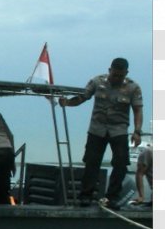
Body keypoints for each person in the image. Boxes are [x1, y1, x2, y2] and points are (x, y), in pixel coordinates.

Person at [59, 57, 144, 210]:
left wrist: (137, 132)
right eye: (114, 74)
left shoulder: (133, 88)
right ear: (109, 70)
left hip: (119, 129)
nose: (117, 77)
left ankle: (112, 198)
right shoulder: (97, 82)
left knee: (120, 164)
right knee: (92, 162)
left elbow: (137, 110)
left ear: (126, 73)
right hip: (97, 129)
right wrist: (67, 103)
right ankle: (86, 196)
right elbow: (82, 97)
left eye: (120, 75)